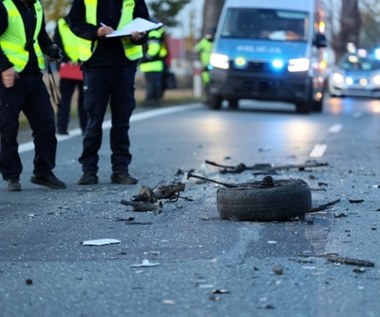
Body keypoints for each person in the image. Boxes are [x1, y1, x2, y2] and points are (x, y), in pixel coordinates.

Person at [68, 0, 150, 185]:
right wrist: (95, 32)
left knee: (122, 120)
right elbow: (74, 22)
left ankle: (120, 170)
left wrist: (140, 36)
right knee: (94, 120)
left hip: (124, 64)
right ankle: (89, 170)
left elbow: (144, 22)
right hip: (96, 64)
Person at [0, 0, 67, 192]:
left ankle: (43, 172)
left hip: (33, 76)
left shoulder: (36, 5)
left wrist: (51, 49)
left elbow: (40, 35)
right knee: (8, 128)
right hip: (10, 78)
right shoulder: (4, 6)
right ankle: (11, 175)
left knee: (46, 125)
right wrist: (4, 67)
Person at [54, 16, 87, 135]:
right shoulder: (84, 20)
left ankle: (62, 128)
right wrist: (78, 59)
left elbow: (57, 43)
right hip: (81, 64)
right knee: (82, 98)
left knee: (66, 98)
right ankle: (85, 127)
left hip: (69, 65)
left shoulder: (61, 23)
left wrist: (66, 59)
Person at [139, 26, 168, 107]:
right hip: (153, 65)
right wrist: (146, 58)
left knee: (152, 84)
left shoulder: (153, 34)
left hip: (151, 65)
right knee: (153, 85)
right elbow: (154, 50)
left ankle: (151, 100)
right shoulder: (155, 34)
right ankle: (151, 101)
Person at [194, 28, 215, 101]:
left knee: (212, 81)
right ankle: (207, 97)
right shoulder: (204, 42)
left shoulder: (215, 42)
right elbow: (196, 48)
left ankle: (210, 97)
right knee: (206, 81)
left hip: (214, 65)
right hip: (206, 65)